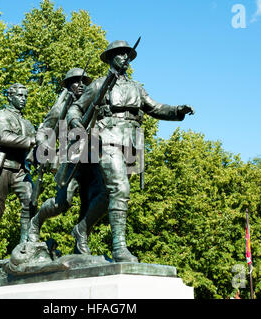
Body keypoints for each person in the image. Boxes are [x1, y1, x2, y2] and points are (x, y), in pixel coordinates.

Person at [66, 40, 195, 262]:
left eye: (128, 54)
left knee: (109, 195)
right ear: (111, 58)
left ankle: (81, 229)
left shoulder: (137, 87)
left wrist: (176, 110)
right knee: (120, 188)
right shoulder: (99, 85)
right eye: (120, 54)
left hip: (130, 144)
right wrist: (76, 123)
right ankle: (119, 248)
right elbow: (76, 108)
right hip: (106, 139)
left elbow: (155, 107)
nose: (125, 57)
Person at [27, 68, 109, 255]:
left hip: (93, 154)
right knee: (63, 202)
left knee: (98, 197)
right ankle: (36, 222)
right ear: (68, 85)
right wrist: (44, 146)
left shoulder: (93, 101)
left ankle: (81, 242)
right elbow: (44, 129)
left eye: (83, 82)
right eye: (75, 81)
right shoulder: (61, 106)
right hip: (70, 155)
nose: (80, 85)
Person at [0, 83, 36, 275]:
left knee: (30, 201)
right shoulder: (3, 115)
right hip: (1, 166)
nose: (23, 99)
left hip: (20, 169)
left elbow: (35, 148)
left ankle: (24, 246)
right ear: (10, 97)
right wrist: (31, 141)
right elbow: (3, 137)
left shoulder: (27, 124)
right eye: (19, 95)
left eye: (25, 96)